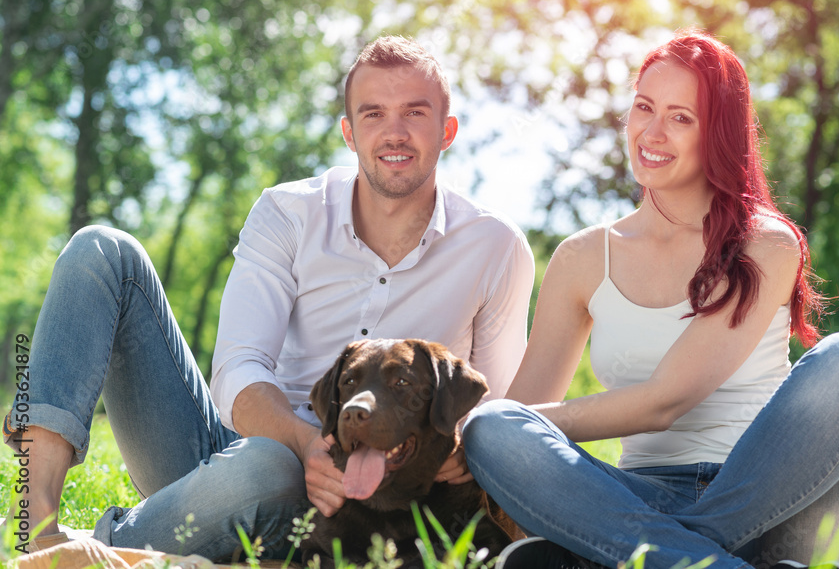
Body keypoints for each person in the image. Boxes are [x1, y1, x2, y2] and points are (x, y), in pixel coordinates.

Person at [3, 35, 535, 561]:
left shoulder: (496, 246)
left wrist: (455, 443)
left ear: (446, 131)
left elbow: (501, 409)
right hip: (232, 457)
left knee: (267, 466)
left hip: (378, 492)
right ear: (349, 133)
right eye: (373, 114)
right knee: (103, 251)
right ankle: (34, 523)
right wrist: (307, 445)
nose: (393, 133)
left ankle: (98, 551)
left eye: (414, 113)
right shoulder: (288, 213)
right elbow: (238, 369)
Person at [462, 29, 839, 569]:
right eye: (644, 107)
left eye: (681, 117)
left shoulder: (765, 243)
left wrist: (541, 427)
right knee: (492, 427)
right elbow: (518, 416)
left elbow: (666, 401)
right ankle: (688, 556)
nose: (653, 131)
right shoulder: (582, 258)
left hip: (777, 505)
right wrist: (494, 433)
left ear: (718, 134)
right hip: (635, 501)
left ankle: (642, 556)